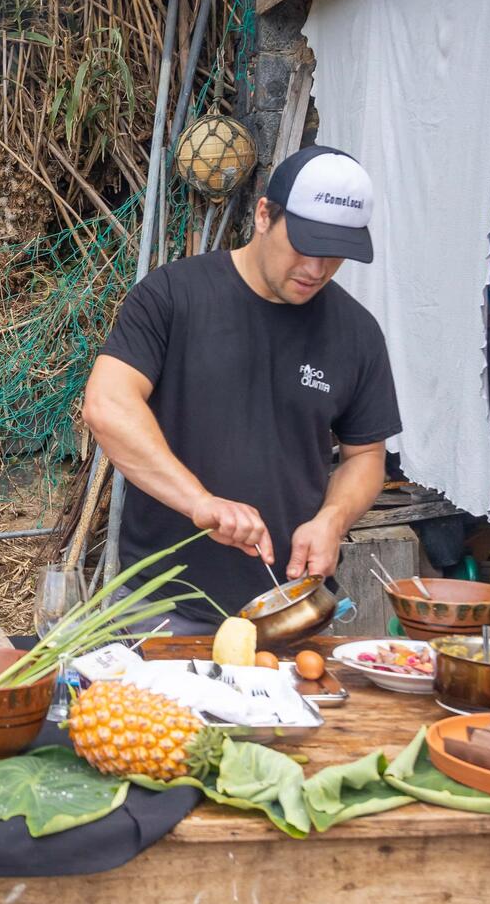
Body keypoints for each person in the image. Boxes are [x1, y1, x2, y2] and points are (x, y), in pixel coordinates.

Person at [82, 144, 401, 631]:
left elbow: (366, 456)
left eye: (334, 254)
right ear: (263, 216)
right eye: (305, 246)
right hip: (166, 607)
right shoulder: (174, 295)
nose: (316, 269)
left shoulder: (357, 333)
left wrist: (332, 520)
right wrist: (201, 502)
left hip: (292, 607)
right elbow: (107, 405)